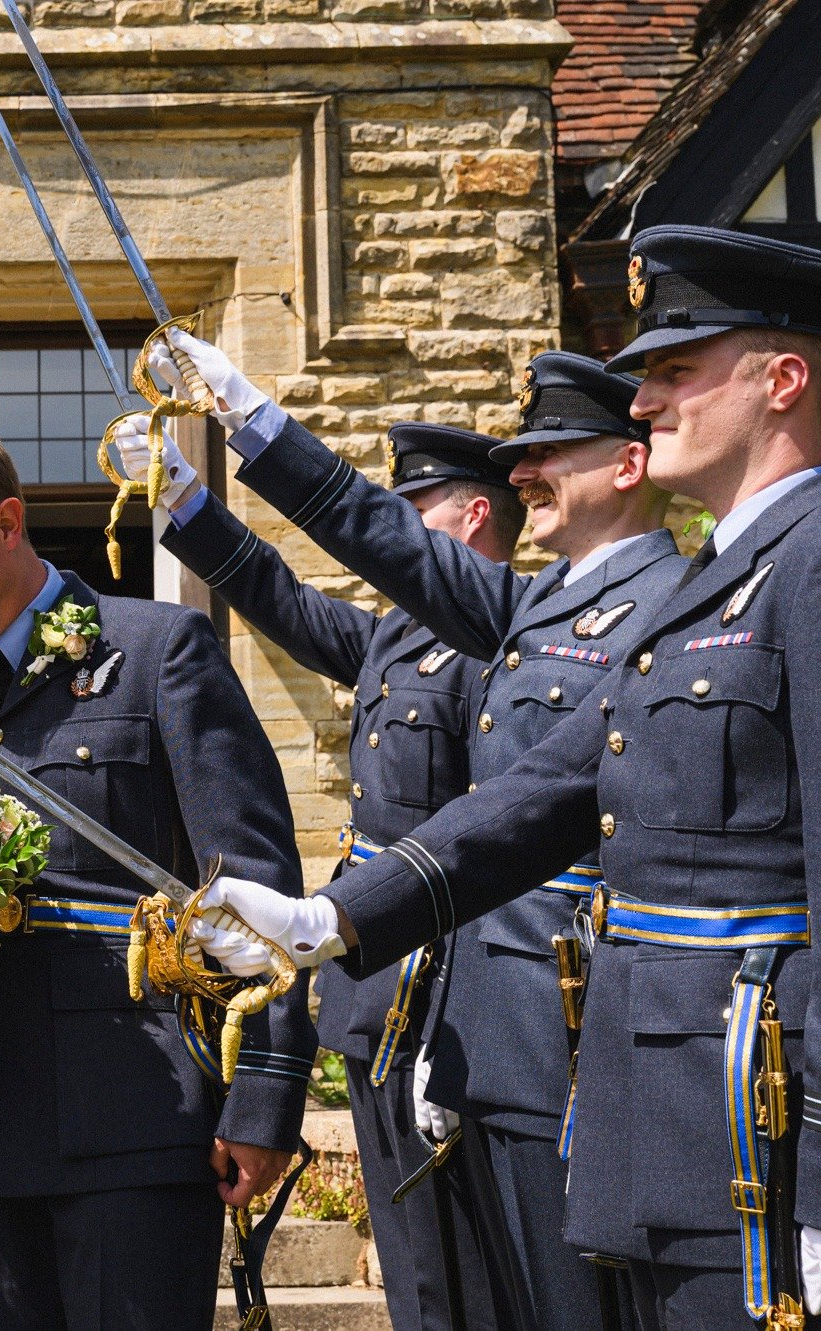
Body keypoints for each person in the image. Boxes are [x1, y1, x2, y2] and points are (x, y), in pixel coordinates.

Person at [190, 224, 821, 1330]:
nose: (643, 401)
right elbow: (543, 794)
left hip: (753, 1123)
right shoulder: (709, 579)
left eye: (675, 370)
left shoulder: (804, 563)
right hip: (654, 1123)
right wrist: (325, 917)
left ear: (781, 379)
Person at [143, 338, 685, 1329]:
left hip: (584, 1018)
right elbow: (336, 566)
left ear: (626, 462)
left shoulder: (659, 603)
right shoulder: (534, 607)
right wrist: (222, 453)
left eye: (548, 450)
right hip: (463, 1003)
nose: (522, 470)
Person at [0, 419, 316, 1331]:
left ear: (7, 523)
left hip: (135, 1118)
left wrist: (265, 1094)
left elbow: (256, 888)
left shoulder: (160, 653)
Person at [117, 413, 519, 1331]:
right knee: (417, 1265)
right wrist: (183, 499)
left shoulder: (504, 638)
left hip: (451, 991)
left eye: (411, 518)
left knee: (474, 1269)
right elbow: (281, 598)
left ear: (473, 520)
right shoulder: (395, 637)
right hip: (371, 992)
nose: (390, 542)